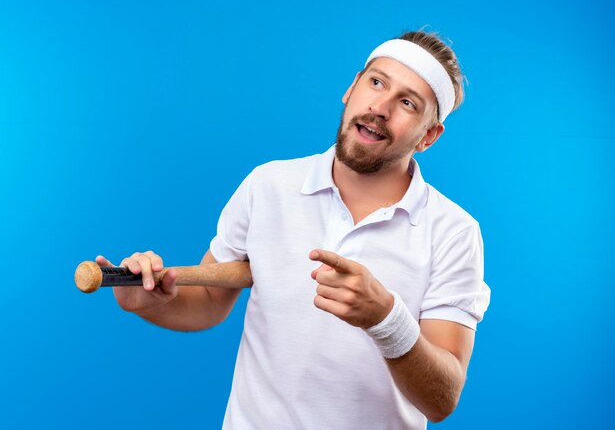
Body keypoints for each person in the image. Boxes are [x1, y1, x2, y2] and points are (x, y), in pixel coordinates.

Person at [97, 29, 491, 429]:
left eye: (407, 102)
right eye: (376, 82)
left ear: (428, 136)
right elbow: (209, 302)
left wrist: (386, 318)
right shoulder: (267, 185)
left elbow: (442, 399)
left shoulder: (454, 233)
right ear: (352, 87)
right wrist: (147, 302)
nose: (380, 107)